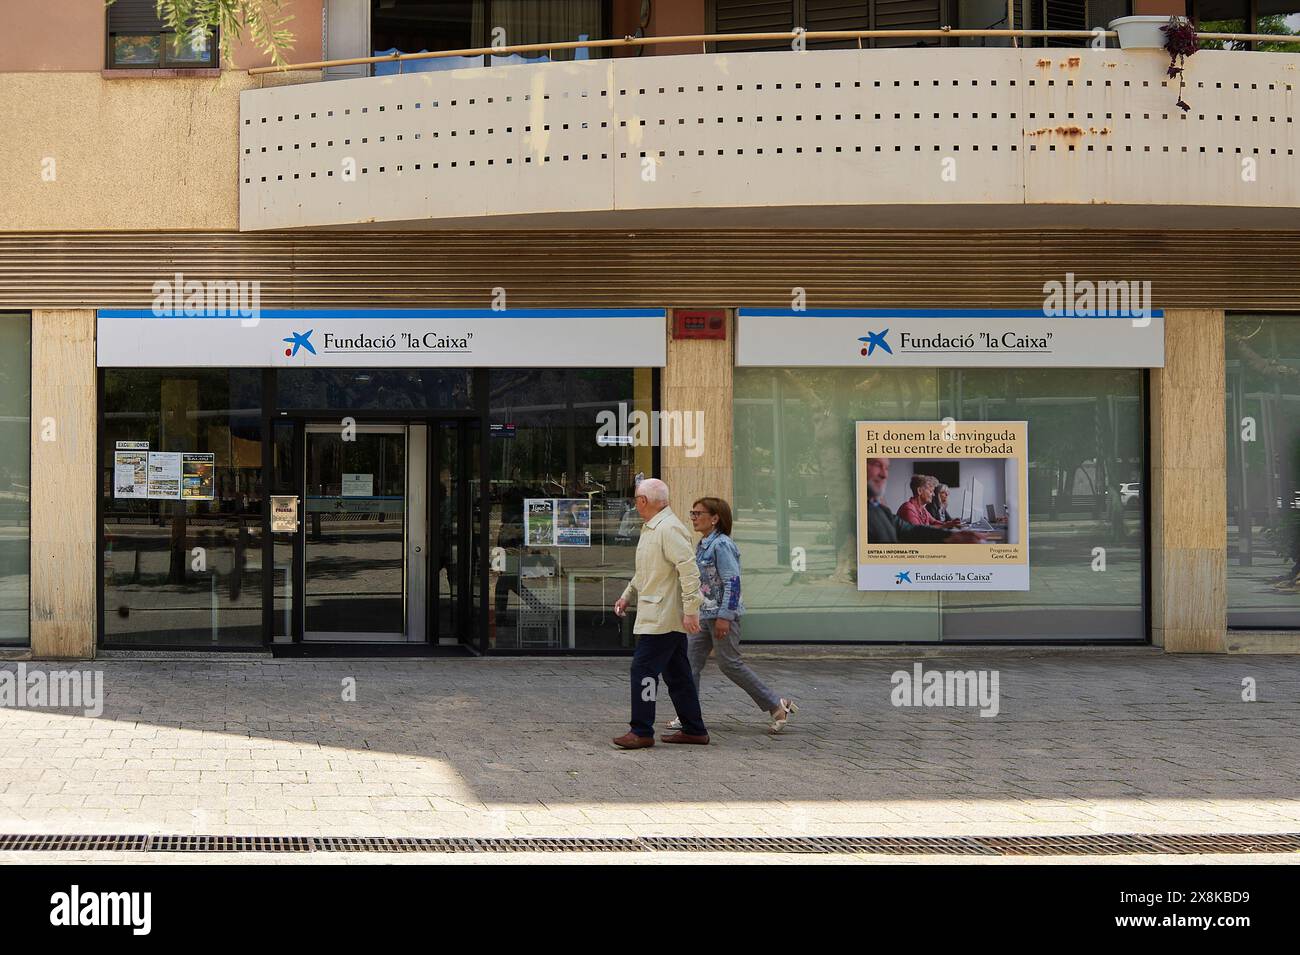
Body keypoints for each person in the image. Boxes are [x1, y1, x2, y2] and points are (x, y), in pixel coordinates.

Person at [669, 497, 799, 733]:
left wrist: (725, 616)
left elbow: (733, 581)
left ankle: (776, 705)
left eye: (698, 513)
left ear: (715, 518)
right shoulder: (704, 543)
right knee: (689, 664)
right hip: (704, 614)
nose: (694, 518)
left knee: (729, 664)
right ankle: (688, 715)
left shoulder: (721, 545)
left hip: (721, 615)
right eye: (692, 513)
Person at [611, 478, 709, 749]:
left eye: (636, 499)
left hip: (663, 617)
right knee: (678, 674)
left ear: (643, 501)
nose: (634, 503)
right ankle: (694, 728)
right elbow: (646, 572)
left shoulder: (669, 529)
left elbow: (689, 573)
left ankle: (641, 730)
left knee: (643, 669)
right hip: (659, 613)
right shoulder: (654, 527)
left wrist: (691, 611)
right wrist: (627, 595)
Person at [866, 458, 983, 545]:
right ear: (920, 491)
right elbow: (914, 535)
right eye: (877, 465)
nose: (885, 474)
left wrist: (951, 534)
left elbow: (917, 528)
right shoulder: (908, 508)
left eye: (887, 468)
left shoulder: (881, 510)